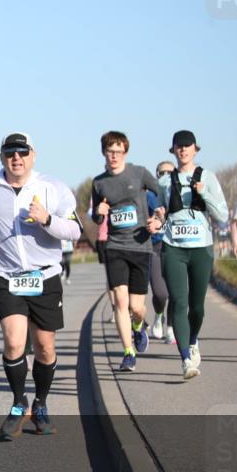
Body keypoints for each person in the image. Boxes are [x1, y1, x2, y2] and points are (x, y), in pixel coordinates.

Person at [0, 133, 81, 438]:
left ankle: (40, 404)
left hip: (45, 276)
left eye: (22, 152)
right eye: (10, 153)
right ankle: (18, 403)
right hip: (5, 275)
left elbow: (75, 230)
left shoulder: (53, 187)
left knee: (45, 346)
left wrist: (47, 219)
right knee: (14, 341)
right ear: (2, 157)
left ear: (33, 155)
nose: (17, 158)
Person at [157, 130, 229, 379]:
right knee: (179, 302)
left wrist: (204, 193)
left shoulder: (208, 177)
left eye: (187, 146)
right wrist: (157, 219)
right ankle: (186, 358)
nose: (183, 150)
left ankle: (193, 338)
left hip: (201, 248)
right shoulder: (165, 181)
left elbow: (222, 216)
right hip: (173, 247)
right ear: (173, 150)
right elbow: (159, 212)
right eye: (178, 146)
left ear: (195, 149)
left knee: (197, 307)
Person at [90, 131, 164, 373]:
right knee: (120, 302)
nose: (114, 156)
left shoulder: (139, 173)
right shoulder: (99, 182)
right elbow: (95, 216)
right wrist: (99, 211)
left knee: (136, 308)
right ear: (104, 152)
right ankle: (128, 352)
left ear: (126, 152)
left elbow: (161, 195)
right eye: (110, 151)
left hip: (140, 246)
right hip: (115, 246)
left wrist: (159, 218)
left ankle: (139, 326)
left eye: (118, 151)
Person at [148, 161, 176, 344]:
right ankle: (158, 314)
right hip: (155, 247)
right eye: (162, 172)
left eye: (170, 172)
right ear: (157, 175)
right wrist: (153, 219)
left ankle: (171, 328)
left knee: (176, 292)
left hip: (176, 247)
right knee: (160, 293)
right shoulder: (150, 195)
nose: (166, 175)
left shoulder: (182, 195)